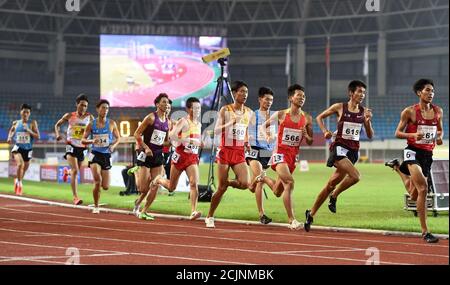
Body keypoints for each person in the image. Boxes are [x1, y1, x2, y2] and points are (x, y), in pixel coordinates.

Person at [304, 80, 373, 232]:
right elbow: (319, 117)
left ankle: (311, 213)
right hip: (339, 148)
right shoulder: (339, 107)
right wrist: (325, 132)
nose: (362, 95)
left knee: (330, 184)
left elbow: (369, 135)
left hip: (353, 151)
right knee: (356, 176)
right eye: (359, 91)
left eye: (364, 92)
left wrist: (367, 121)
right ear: (351, 93)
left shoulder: (363, 112)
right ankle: (334, 196)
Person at [385, 79, 443, 243]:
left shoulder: (438, 111)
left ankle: (397, 167)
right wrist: (412, 135)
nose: (431, 93)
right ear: (419, 93)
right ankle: (425, 232)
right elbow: (397, 132)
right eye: (427, 90)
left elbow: (440, 130)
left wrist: (439, 138)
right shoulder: (409, 112)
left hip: (427, 155)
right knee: (423, 188)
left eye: (432, 90)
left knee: (414, 193)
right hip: (412, 152)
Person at [249, 84, 313, 230]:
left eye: (303, 96)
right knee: (289, 183)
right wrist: (268, 136)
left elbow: (310, 142)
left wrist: (306, 135)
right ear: (291, 98)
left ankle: (262, 177)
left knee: (278, 191)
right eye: (299, 95)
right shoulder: (281, 114)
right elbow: (262, 126)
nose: (302, 98)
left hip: (293, 157)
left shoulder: (307, 118)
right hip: (279, 154)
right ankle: (292, 220)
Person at [205, 80, 253, 228]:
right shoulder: (225, 110)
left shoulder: (249, 112)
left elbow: (244, 130)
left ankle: (228, 182)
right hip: (225, 151)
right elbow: (215, 131)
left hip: (239, 152)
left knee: (245, 183)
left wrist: (246, 141)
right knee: (221, 189)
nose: (244, 94)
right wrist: (229, 124)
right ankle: (210, 216)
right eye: (241, 91)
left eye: (246, 92)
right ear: (234, 93)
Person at [153, 97, 203, 220]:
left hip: (192, 157)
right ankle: (159, 179)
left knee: (194, 183)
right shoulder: (183, 121)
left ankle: (193, 211)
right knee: (171, 187)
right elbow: (171, 136)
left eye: (199, 108)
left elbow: (196, 140)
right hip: (180, 156)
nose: (197, 110)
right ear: (188, 109)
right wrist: (187, 140)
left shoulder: (199, 124)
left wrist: (199, 143)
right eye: (195, 108)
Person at [133, 93, 172, 220]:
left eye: (168, 102)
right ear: (157, 104)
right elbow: (137, 134)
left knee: (155, 184)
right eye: (164, 102)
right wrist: (146, 147)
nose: (167, 104)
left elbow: (165, 141)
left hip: (157, 156)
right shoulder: (150, 118)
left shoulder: (168, 122)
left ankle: (144, 210)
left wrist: (174, 142)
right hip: (146, 154)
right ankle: (135, 172)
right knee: (143, 188)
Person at [81, 100, 120, 214]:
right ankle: (96, 206)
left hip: (106, 155)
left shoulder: (112, 123)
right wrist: (92, 140)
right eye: (103, 108)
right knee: (97, 180)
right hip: (95, 154)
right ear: (98, 109)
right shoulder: (91, 124)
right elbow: (83, 139)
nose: (105, 110)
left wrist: (113, 145)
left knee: (106, 186)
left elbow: (118, 138)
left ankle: (98, 197)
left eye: (107, 108)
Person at [54, 93, 94, 205]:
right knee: (76, 171)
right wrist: (58, 134)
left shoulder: (90, 117)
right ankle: (75, 197)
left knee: (75, 171)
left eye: (85, 106)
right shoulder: (69, 115)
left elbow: (94, 130)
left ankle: (67, 172)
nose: (83, 107)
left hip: (82, 147)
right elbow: (57, 125)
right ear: (76, 104)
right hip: (70, 145)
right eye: (81, 105)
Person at [246, 87, 277, 224]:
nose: (269, 102)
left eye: (271, 100)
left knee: (256, 185)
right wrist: (247, 140)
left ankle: (250, 184)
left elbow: (276, 135)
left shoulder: (274, 116)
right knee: (261, 177)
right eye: (266, 99)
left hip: (267, 152)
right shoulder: (254, 114)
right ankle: (262, 214)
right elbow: (247, 129)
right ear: (260, 99)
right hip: (254, 150)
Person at [7, 104, 40, 195]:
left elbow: (38, 136)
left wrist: (29, 130)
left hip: (28, 150)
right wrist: (9, 137)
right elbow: (12, 130)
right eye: (24, 111)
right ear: (20, 112)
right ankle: (19, 185)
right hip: (17, 148)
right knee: (20, 165)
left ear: (30, 113)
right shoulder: (16, 122)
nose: (25, 114)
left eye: (27, 112)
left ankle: (17, 180)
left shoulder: (33, 123)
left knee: (24, 169)